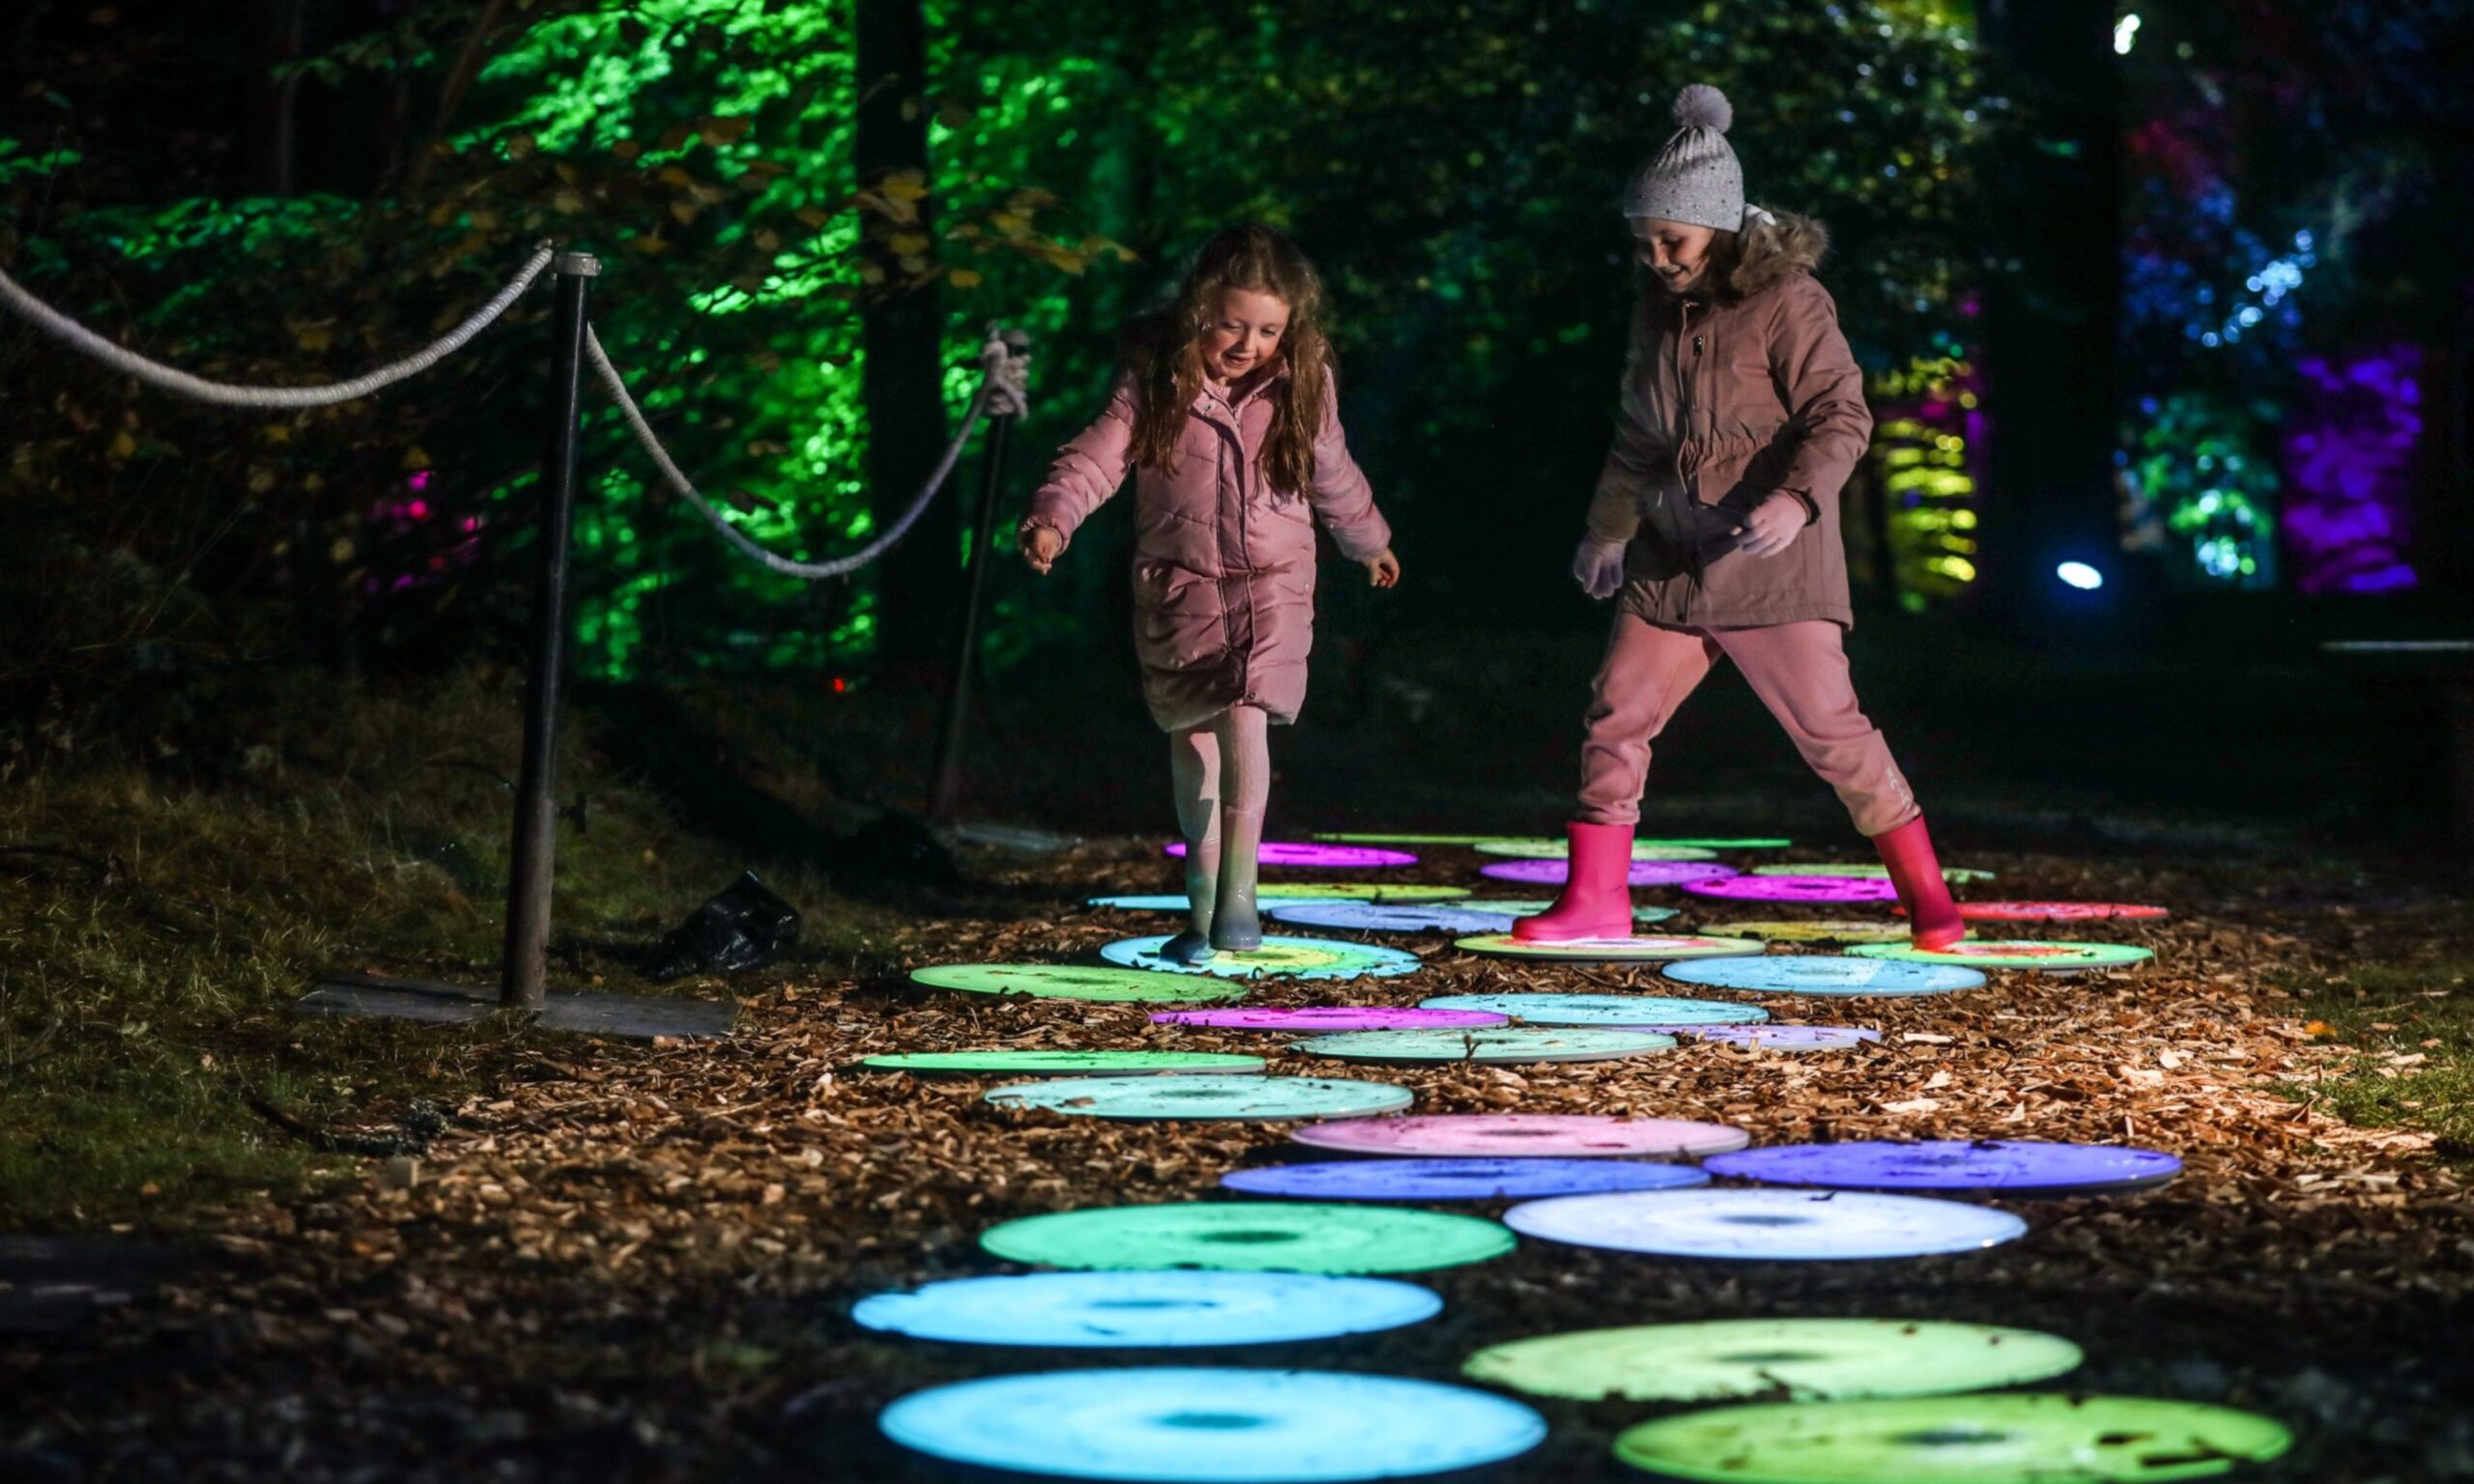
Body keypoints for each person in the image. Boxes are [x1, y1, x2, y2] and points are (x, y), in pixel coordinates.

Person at [1516, 84, 1964, 949]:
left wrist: (1795, 502)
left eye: (1670, 240)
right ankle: (1598, 899)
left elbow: (1843, 415)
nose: (1655, 256)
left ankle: (1927, 895)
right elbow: (1639, 436)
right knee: (1616, 712)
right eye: (1643, 241)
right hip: (1670, 559)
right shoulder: (1656, 309)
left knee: (1832, 733)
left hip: (1771, 564)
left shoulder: (1790, 300)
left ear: (1717, 226)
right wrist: (1608, 530)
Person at [1021, 225, 1400, 961]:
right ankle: (1200, 908)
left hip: (1272, 586)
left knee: (1245, 721)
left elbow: (1331, 468)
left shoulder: (1302, 380)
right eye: (1231, 323)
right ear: (1198, 309)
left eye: (1266, 329)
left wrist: (1370, 539)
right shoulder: (1156, 376)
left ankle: (1239, 901)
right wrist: (1053, 517)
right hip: (1181, 590)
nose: (1246, 344)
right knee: (1191, 741)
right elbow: (1099, 454)